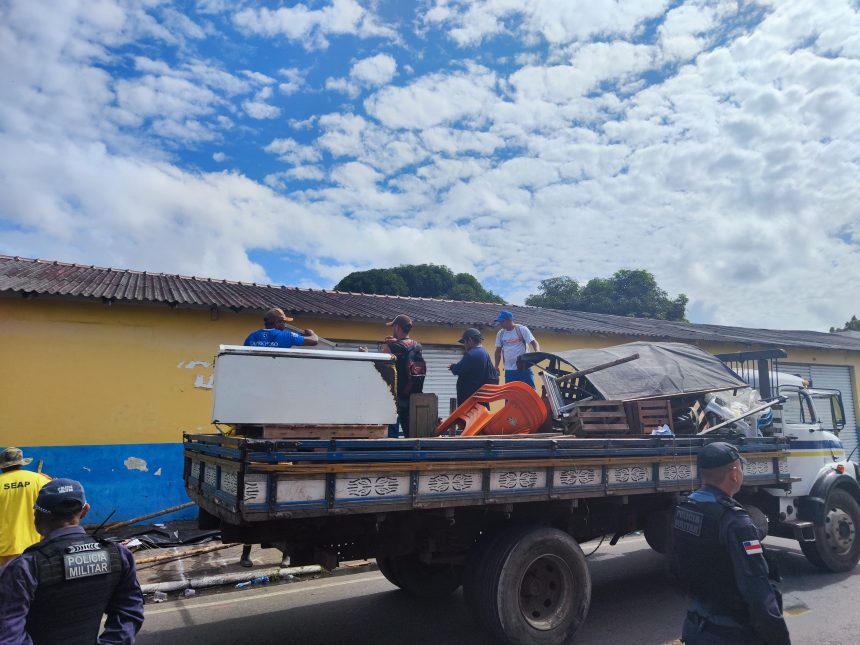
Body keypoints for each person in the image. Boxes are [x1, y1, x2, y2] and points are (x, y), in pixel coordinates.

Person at [671, 442, 790, 645]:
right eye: (741, 468)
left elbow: (675, 568)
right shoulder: (736, 522)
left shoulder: (686, 508)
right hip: (730, 634)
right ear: (734, 473)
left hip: (694, 626)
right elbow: (757, 589)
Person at [0, 478, 144, 644]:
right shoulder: (118, 555)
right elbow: (130, 611)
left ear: (37, 515)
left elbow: (8, 635)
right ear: (85, 511)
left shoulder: (23, 568)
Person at [0, 447, 51, 567]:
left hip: (3, 549)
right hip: (33, 546)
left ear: (2, 466)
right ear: (21, 463)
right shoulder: (40, 480)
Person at [380, 314, 425, 438]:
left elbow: (379, 367)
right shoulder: (417, 346)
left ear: (397, 327)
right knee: (411, 434)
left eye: (393, 327)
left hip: (395, 398)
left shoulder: (391, 347)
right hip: (414, 397)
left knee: (391, 435)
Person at [494, 309, 540, 388]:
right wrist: (496, 366)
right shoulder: (501, 333)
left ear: (509, 320)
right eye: (500, 321)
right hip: (509, 370)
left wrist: (537, 352)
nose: (500, 323)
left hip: (524, 368)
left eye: (502, 321)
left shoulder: (521, 329)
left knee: (529, 391)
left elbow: (534, 342)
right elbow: (498, 351)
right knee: (511, 393)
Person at [449, 328, 494, 406]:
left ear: (470, 340)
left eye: (464, 342)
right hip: (481, 397)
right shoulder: (484, 353)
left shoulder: (471, 354)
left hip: (470, 399)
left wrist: (453, 367)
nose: (464, 345)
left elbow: (457, 370)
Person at [244, 307, 319, 348]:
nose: (285, 326)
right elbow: (314, 341)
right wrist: (311, 332)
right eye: (284, 322)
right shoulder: (288, 336)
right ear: (277, 322)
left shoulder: (252, 336)